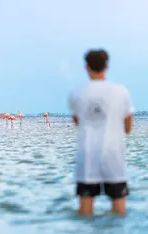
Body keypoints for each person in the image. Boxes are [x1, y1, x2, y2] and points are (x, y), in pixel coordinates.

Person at [68, 49, 133, 216]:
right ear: (106, 65)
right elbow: (127, 127)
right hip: (114, 157)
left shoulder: (77, 93)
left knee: (85, 212)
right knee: (119, 210)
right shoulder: (121, 91)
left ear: (86, 67)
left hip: (87, 156)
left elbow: (78, 122)